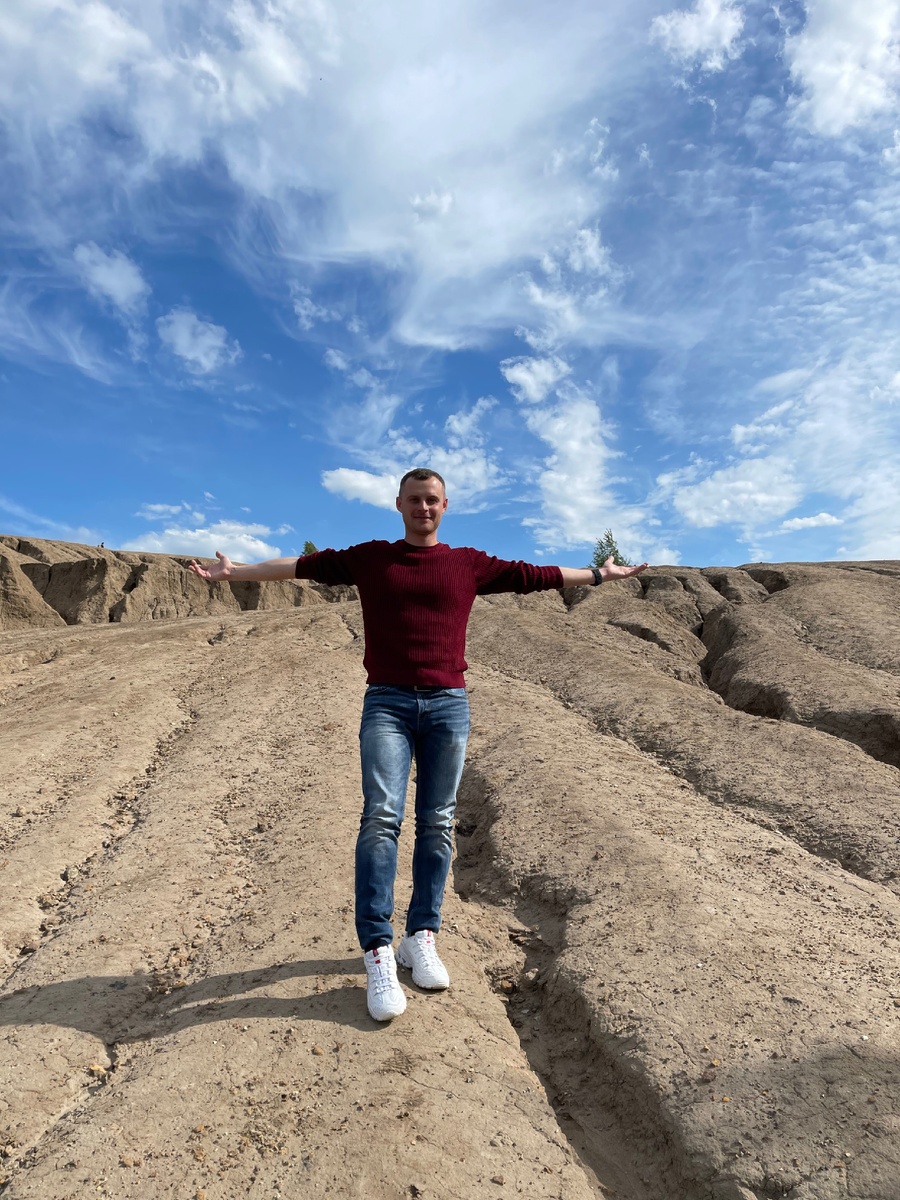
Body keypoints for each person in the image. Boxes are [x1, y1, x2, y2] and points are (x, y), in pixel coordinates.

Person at [188, 468, 648, 1021]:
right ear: (399, 504)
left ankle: (420, 936)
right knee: (381, 818)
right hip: (386, 703)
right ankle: (378, 950)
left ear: (445, 505)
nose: (423, 508)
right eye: (414, 500)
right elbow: (299, 566)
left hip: (448, 704)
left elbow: (537, 575)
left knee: (438, 821)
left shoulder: (469, 564)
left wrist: (598, 574)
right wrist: (235, 571)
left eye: (432, 500)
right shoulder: (371, 558)